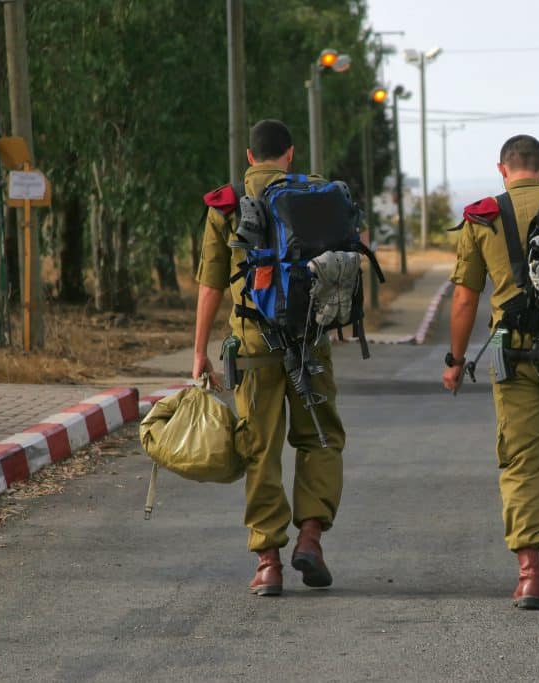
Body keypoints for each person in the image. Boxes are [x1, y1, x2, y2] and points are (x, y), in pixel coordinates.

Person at [442, 134, 539, 610]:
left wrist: (455, 360)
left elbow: (466, 297)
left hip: (510, 356)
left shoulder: (483, 216)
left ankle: (530, 574)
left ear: (502, 169)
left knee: (521, 460)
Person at [193, 119, 346, 596]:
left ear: (249, 157)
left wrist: (199, 350)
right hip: (310, 339)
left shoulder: (228, 203)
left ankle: (268, 562)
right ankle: (312, 538)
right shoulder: (320, 194)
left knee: (260, 448)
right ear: (290, 154)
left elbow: (211, 283)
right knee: (321, 439)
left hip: (254, 347)